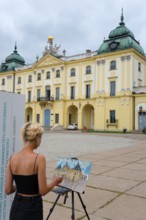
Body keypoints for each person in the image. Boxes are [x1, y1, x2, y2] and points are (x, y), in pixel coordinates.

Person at [5, 122, 63, 220]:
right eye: (40, 138)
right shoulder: (39, 158)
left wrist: (21, 185)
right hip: (32, 206)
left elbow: (8, 190)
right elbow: (43, 191)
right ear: (37, 138)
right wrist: (55, 182)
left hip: (16, 205)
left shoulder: (12, 158)